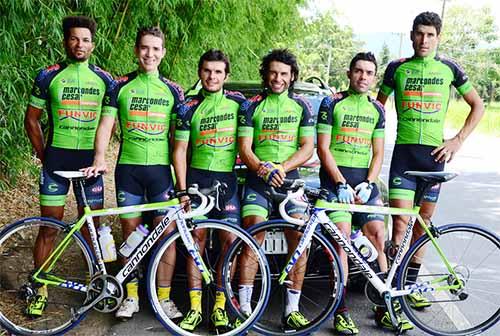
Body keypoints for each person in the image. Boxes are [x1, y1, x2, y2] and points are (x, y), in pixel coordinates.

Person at [377, 11, 484, 328]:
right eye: (420, 34)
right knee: (399, 227)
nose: (424, 40)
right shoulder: (397, 68)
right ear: (412, 35)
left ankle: (411, 288)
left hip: (434, 157)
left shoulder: (449, 68)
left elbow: (477, 105)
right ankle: (392, 291)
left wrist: (457, 141)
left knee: (422, 227)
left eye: (431, 35)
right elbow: (378, 108)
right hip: (405, 157)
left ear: (438, 38)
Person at [84, 26, 184, 320]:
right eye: (144, 48)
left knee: (167, 233)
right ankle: (131, 296)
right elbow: (106, 125)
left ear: (163, 53)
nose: (149, 54)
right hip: (128, 169)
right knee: (131, 233)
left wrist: (182, 182)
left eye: (155, 49)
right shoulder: (120, 86)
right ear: (136, 49)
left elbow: (180, 140)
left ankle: (164, 298)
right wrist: (100, 158)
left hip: (160, 173)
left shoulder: (174, 90)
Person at [24, 15, 114, 317]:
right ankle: (40, 288)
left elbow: (109, 121)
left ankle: (93, 283)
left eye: (86, 39)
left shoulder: (105, 80)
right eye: (74, 38)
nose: (80, 44)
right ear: (66, 41)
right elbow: (31, 119)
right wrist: (43, 155)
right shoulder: (47, 75)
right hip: (57, 161)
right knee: (49, 226)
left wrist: (101, 155)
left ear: (93, 44)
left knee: (92, 226)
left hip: (89, 163)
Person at [317, 52, 412, 334]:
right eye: (358, 71)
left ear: (374, 77)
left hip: (363, 184)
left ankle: (385, 307)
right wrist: (341, 183)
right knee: (342, 242)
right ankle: (341, 311)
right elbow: (323, 149)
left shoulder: (377, 109)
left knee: (378, 235)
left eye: (369, 73)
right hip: (335, 185)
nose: (363, 77)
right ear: (349, 73)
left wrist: (369, 183)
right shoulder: (331, 102)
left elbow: (378, 152)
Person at [237, 49, 315, 329]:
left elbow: (308, 147)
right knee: (251, 237)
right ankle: (245, 307)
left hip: (290, 182)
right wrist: (262, 168)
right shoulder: (251, 105)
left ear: (292, 76)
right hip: (258, 181)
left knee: (300, 242)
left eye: (284, 74)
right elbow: (244, 147)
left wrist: (281, 167)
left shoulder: (302, 106)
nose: (278, 78)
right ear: (265, 74)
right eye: (273, 72)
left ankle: (291, 310)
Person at [172, 49, 245, 332]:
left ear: (227, 76)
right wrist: (182, 190)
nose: (212, 76)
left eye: (218, 72)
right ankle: (194, 308)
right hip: (197, 180)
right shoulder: (188, 106)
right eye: (207, 71)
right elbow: (178, 151)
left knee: (230, 243)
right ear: (199, 72)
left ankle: (219, 307)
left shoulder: (240, 104)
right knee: (195, 243)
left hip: (227, 182)